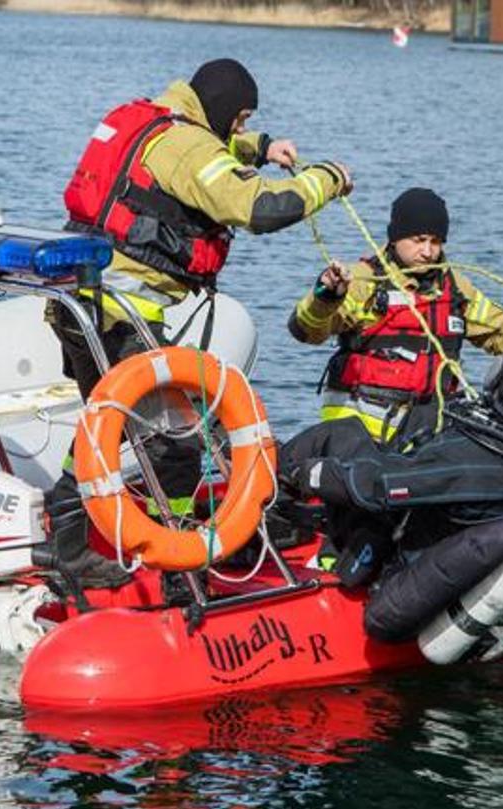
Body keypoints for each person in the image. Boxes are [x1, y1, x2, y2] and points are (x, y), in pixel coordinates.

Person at [40, 58, 354, 587]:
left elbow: (200, 155)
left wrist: (261, 147)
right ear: (225, 109)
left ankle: (66, 533)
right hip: (123, 314)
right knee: (176, 445)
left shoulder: (154, 121)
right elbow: (259, 206)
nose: (239, 130)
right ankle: (179, 565)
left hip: (79, 305)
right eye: (241, 119)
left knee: (106, 423)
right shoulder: (190, 146)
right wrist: (328, 180)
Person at [278, 343, 503, 590]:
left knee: (344, 433)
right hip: (474, 548)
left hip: (406, 565)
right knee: (424, 414)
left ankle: (269, 498)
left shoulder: (471, 458)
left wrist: (308, 474)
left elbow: (378, 486)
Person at [288, 188, 503, 444]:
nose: (427, 251)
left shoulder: (455, 287)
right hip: (358, 433)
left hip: (429, 431)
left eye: (436, 242)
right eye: (419, 240)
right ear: (395, 237)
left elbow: (499, 334)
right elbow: (307, 330)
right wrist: (326, 295)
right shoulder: (363, 281)